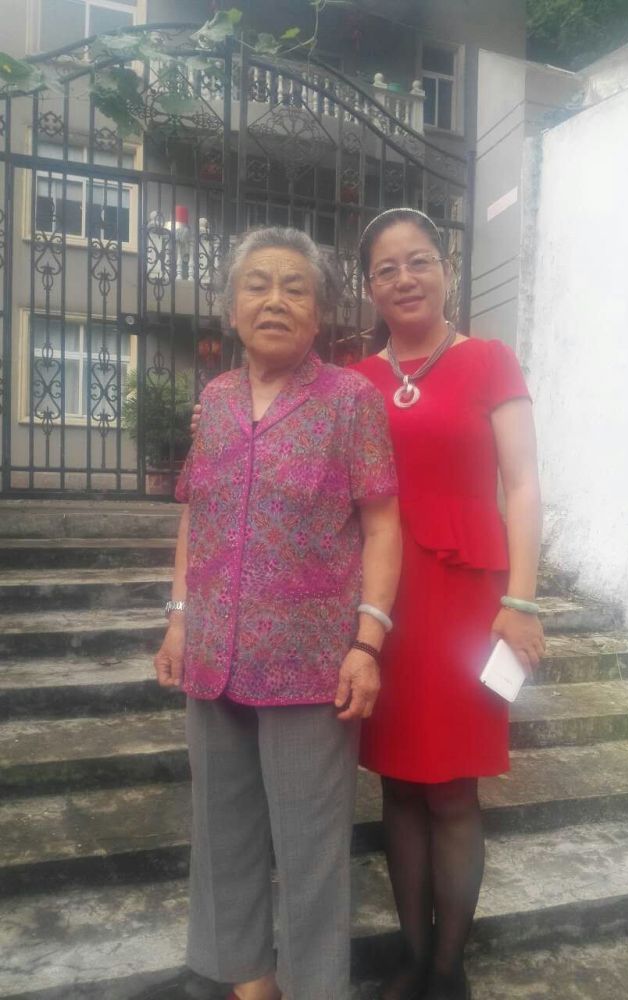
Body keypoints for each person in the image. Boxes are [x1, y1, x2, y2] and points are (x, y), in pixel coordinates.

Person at [154, 226, 401, 1000]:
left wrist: (368, 642)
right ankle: (249, 981)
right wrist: (178, 616)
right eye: (257, 285)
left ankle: (313, 987)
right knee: (222, 833)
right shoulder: (216, 400)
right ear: (231, 308)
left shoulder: (351, 401)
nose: (275, 300)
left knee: (310, 846)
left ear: (319, 314)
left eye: (295, 288)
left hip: (310, 661)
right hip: (213, 652)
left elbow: (383, 526)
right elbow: (196, 511)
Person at [353, 208, 545, 1000]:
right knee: (399, 784)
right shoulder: (355, 382)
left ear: (446, 270)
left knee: (455, 788)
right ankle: (412, 954)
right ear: (370, 288)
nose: (405, 278)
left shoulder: (489, 361)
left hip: (470, 601)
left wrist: (523, 598)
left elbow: (523, 484)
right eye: (387, 268)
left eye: (420, 261)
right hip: (386, 602)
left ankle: (447, 967)